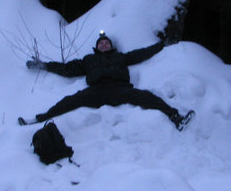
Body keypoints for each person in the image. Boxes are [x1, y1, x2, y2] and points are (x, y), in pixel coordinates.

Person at [18, 32, 195, 130]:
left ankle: (175, 117)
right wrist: (44, 66)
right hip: (96, 92)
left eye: (106, 43)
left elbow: (141, 53)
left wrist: (162, 44)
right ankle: (39, 119)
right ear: (97, 47)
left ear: (111, 46)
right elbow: (67, 69)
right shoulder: (88, 60)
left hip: (121, 89)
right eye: (101, 43)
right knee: (70, 101)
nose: (104, 44)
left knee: (146, 97)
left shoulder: (121, 57)